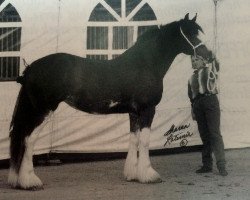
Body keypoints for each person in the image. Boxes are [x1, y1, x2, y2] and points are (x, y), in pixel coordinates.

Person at [188, 55, 228, 176]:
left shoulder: (211, 70)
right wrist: (193, 109)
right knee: (204, 135)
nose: (194, 62)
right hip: (198, 105)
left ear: (204, 60)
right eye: (193, 61)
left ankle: (221, 165)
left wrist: (209, 54)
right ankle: (207, 165)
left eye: (197, 60)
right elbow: (191, 96)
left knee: (214, 133)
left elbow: (216, 62)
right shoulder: (191, 78)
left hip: (210, 101)